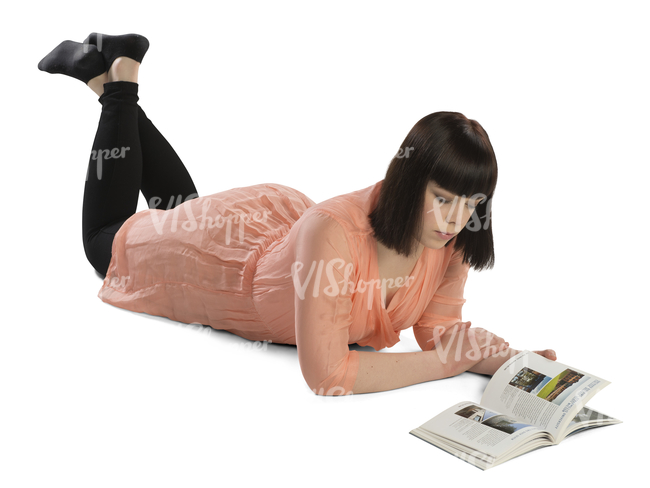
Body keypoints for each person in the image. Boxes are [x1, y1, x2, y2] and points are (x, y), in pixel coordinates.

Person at [38, 33, 556, 396]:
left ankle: (114, 77)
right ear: (407, 180)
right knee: (106, 242)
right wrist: (446, 366)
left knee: (179, 208)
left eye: (472, 204)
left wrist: (505, 362)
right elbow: (328, 375)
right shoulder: (338, 233)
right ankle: (118, 83)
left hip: (267, 234)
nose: (457, 218)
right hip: (220, 271)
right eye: (444, 198)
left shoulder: (452, 239)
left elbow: (442, 332)